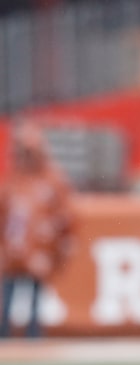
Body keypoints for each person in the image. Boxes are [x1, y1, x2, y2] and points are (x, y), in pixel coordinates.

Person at [0, 119, 74, 338]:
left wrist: (54, 249)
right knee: (7, 303)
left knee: (33, 305)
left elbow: (65, 218)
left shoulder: (52, 181)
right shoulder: (12, 182)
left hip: (38, 253)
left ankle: (33, 340)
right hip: (14, 254)